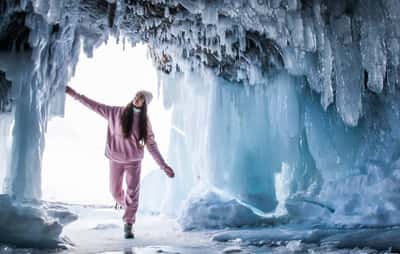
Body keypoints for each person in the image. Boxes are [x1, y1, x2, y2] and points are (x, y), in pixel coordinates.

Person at [65, 86, 175, 239]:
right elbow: (93, 105)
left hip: (134, 163)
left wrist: (164, 166)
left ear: (145, 104)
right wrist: (74, 94)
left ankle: (128, 224)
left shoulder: (145, 123)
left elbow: (151, 145)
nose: (137, 98)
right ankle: (127, 207)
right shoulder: (116, 112)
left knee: (132, 193)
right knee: (115, 192)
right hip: (115, 160)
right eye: (137, 95)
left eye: (141, 98)